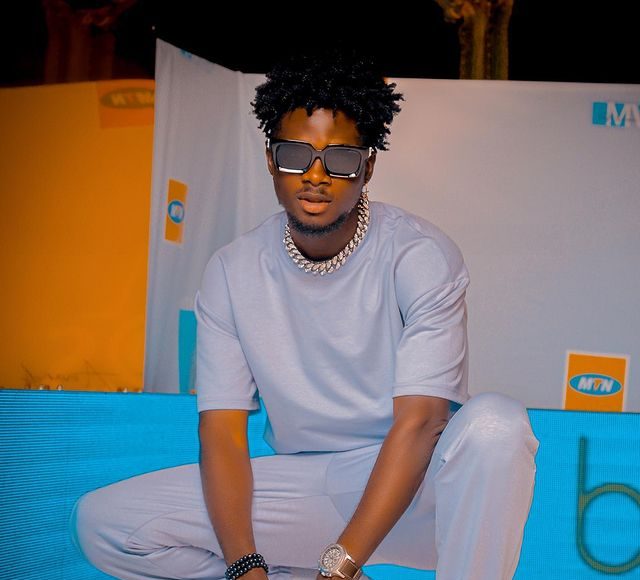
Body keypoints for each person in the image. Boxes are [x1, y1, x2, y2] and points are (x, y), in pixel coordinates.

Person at [70, 47, 539, 580]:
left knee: (496, 425)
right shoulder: (232, 271)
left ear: (367, 167)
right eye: (295, 154)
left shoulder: (419, 254)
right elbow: (223, 434)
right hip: (306, 488)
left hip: (420, 492)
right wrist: (244, 565)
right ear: (271, 159)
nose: (316, 175)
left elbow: (422, 422)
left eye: (340, 159)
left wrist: (339, 566)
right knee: (104, 523)